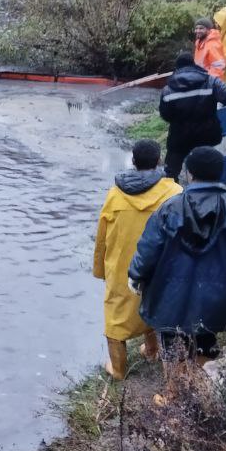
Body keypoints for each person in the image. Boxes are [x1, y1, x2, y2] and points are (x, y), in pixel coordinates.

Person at [128, 146, 226, 404]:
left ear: (189, 174)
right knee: (207, 335)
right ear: (220, 172)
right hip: (220, 297)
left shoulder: (169, 209)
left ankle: (174, 396)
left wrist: (135, 276)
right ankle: (205, 388)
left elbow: (148, 251)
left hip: (171, 296)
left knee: (171, 341)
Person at [93, 139, 182, 382]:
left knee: (117, 316)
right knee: (157, 304)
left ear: (133, 161)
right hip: (162, 266)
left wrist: (100, 270)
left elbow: (102, 237)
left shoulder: (115, 196)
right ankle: (153, 350)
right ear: (159, 160)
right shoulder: (174, 192)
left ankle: (119, 371)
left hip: (123, 267)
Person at [159, 49, 226, 180]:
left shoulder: (168, 90)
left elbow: (165, 115)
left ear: (177, 67)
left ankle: (172, 193)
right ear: (193, 64)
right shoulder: (210, 81)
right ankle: (208, 189)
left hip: (180, 138)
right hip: (207, 135)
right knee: (207, 166)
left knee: (171, 172)